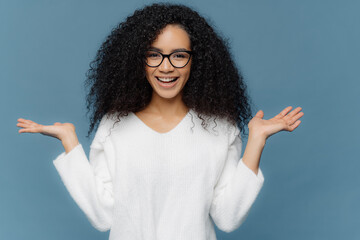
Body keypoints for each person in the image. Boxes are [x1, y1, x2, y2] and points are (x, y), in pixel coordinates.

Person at [16, 3, 304, 240]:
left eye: (179, 55)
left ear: (196, 61)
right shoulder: (114, 125)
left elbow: (227, 219)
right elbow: (103, 217)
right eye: (154, 55)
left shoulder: (220, 128)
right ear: (137, 61)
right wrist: (70, 141)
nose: (166, 67)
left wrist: (256, 141)